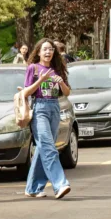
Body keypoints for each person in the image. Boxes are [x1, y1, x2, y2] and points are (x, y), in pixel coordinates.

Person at [21, 39, 72, 200]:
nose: (48, 52)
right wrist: (40, 80)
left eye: (51, 49)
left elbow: (67, 92)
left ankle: (33, 188)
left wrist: (61, 82)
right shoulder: (33, 68)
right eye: (45, 49)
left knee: (44, 147)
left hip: (54, 108)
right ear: (38, 52)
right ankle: (60, 184)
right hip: (40, 109)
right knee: (49, 147)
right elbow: (26, 92)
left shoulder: (57, 69)